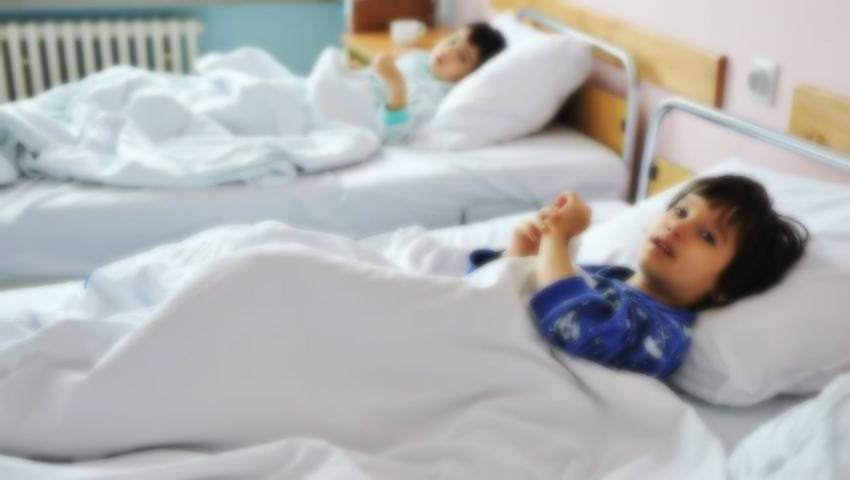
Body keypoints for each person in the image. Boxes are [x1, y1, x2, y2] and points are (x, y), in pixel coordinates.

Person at [468, 175, 809, 379]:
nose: (678, 227)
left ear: (726, 286)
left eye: (707, 236)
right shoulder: (605, 274)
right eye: (680, 211)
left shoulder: (665, 335)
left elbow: (579, 327)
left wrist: (557, 240)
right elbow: (479, 292)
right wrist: (520, 253)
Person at [372, 22, 506, 143]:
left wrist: (397, 86)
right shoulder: (420, 58)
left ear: (469, 77)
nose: (447, 51)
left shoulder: (434, 95)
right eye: (453, 41)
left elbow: (394, 134)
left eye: (461, 57)